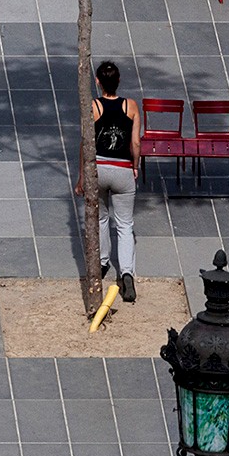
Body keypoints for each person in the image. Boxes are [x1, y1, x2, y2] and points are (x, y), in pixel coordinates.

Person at [79, 60, 141, 303]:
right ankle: (126, 273)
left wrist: (81, 177)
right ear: (119, 81)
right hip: (123, 169)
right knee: (125, 225)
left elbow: (85, 143)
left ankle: (103, 261)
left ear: (97, 81)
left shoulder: (93, 107)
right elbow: (135, 142)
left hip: (99, 168)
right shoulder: (131, 106)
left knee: (101, 218)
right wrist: (135, 166)